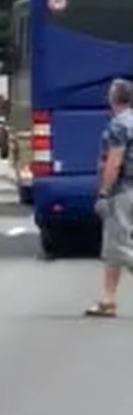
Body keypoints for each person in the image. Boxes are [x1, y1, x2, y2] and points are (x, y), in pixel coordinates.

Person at [85, 78, 133, 317]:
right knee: (112, 247)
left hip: (123, 191)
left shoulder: (118, 125)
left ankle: (108, 299)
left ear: (113, 98)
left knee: (120, 247)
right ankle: (108, 300)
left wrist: (103, 191)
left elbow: (114, 161)